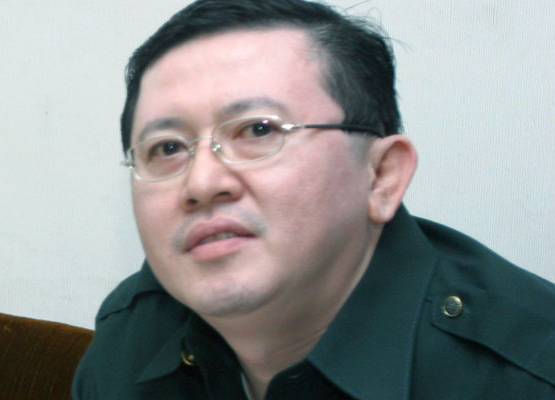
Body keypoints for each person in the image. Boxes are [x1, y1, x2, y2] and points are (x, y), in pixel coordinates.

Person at [73, 0, 555, 398]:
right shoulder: (133, 332)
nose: (201, 184)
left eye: (258, 130)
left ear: (382, 176)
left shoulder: (527, 373)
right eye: (167, 149)